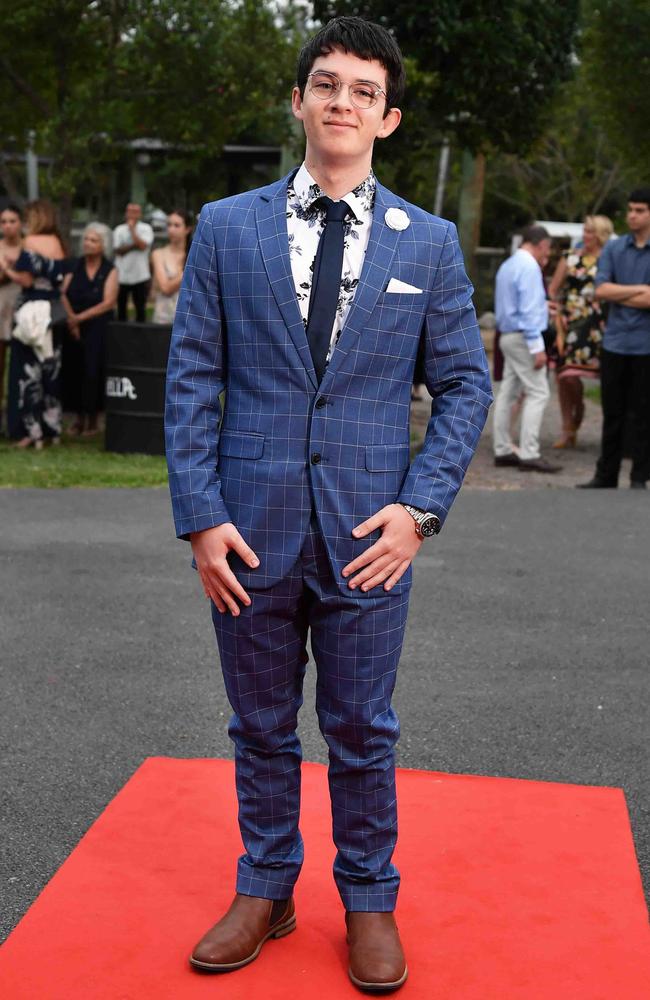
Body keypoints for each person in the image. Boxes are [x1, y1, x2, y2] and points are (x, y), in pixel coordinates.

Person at [165, 16, 491, 993]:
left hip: (367, 532)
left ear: (384, 117)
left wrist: (417, 510)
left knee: (361, 726)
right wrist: (199, 514)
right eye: (324, 83)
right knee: (258, 722)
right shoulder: (226, 226)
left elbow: (464, 386)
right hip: (246, 530)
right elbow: (191, 376)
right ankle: (264, 886)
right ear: (298, 101)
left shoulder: (428, 244)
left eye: (360, 90)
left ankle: (368, 898)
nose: (340, 100)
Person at [579, 188, 650, 489]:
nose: (632, 215)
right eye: (630, 209)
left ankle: (639, 476)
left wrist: (620, 292)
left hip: (646, 345)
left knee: (644, 413)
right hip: (615, 342)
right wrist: (640, 291)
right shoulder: (614, 248)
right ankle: (606, 474)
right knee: (613, 412)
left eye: (639, 210)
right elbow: (601, 290)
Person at [492, 224, 561, 473]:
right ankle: (529, 452)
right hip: (524, 337)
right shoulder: (530, 267)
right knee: (538, 392)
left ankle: (502, 448)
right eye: (548, 249)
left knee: (508, 392)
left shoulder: (509, 264)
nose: (548, 255)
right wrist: (537, 346)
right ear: (542, 244)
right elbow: (529, 310)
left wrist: (543, 308)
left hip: (507, 334)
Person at [1, 199, 67, 447]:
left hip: (32, 311)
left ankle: (31, 431)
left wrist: (7, 270)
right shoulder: (58, 244)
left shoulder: (31, 243)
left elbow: (27, 281)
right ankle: (54, 428)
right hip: (53, 312)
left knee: (27, 372)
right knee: (52, 368)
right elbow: (62, 279)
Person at [548, 216, 613, 449]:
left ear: (601, 235)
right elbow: (553, 290)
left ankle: (608, 428)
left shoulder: (609, 259)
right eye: (585, 231)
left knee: (607, 376)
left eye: (591, 232)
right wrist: (556, 318)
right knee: (566, 375)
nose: (586, 236)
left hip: (598, 324)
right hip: (571, 324)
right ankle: (568, 426)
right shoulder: (570, 258)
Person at [61, 223, 118, 435]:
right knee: (74, 370)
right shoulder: (74, 265)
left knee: (94, 370)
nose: (87, 243)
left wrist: (79, 318)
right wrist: (72, 320)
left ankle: (93, 418)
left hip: (97, 327)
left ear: (103, 245)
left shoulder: (110, 269)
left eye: (93, 240)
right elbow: (62, 293)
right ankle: (77, 418)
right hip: (73, 327)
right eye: (86, 239)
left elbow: (109, 302)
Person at [0, 203, 23, 427]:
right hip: (0, 309)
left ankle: (16, 420)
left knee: (18, 368)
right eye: (3, 222)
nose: (7, 226)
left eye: (12, 221)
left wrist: (8, 269)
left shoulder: (28, 248)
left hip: (21, 311)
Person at [112, 203, 153, 323]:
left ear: (140, 214)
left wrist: (132, 230)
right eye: (130, 211)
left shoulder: (146, 228)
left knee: (140, 310)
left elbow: (143, 245)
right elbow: (118, 250)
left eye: (135, 211)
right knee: (121, 311)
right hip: (122, 276)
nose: (132, 214)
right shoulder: (119, 230)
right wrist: (134, 245)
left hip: (140, 276)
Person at [151, 209, 192, 324]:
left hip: (187, 318)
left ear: (187, 229)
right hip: (164, 317)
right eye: (169, 225)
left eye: (176, 225)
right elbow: (165, 288)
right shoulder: (158, 254)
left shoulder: (193, 254)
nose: (171, 229)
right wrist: (190, 269)